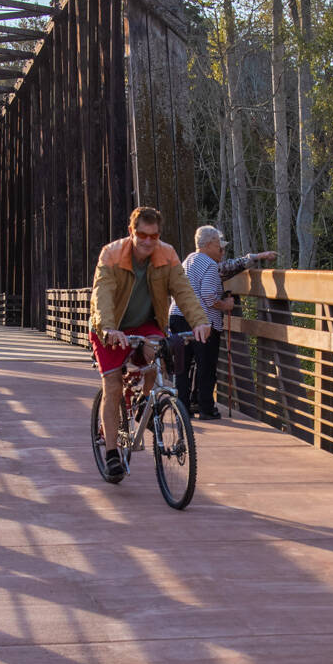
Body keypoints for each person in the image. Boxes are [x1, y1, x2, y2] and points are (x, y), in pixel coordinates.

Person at [90, 206, 211, 481]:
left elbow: (184, 291)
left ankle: (146, 401)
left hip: (145, 323)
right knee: (112, 385)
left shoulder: (166, 255)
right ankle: (111, 453)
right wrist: (108, 329)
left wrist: (200, 322)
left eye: (153, 236)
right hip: (110, 325)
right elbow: (102, 296)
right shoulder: (111, 255)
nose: (147, 241)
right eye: (142, 235)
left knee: (157, 353)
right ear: (131, 232)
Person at [169, 227, 276, 418]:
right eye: (220, 247)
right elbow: (209, 297)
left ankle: (182, 409)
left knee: (182, 368)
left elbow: (224, 270)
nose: (222, 251)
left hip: (177, 316)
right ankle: (206, 408)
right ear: (209, 245)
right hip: (202, 321)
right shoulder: (209, 265)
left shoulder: (187, 261)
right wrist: (225, 304)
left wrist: (255, 256)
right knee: (206, 366)